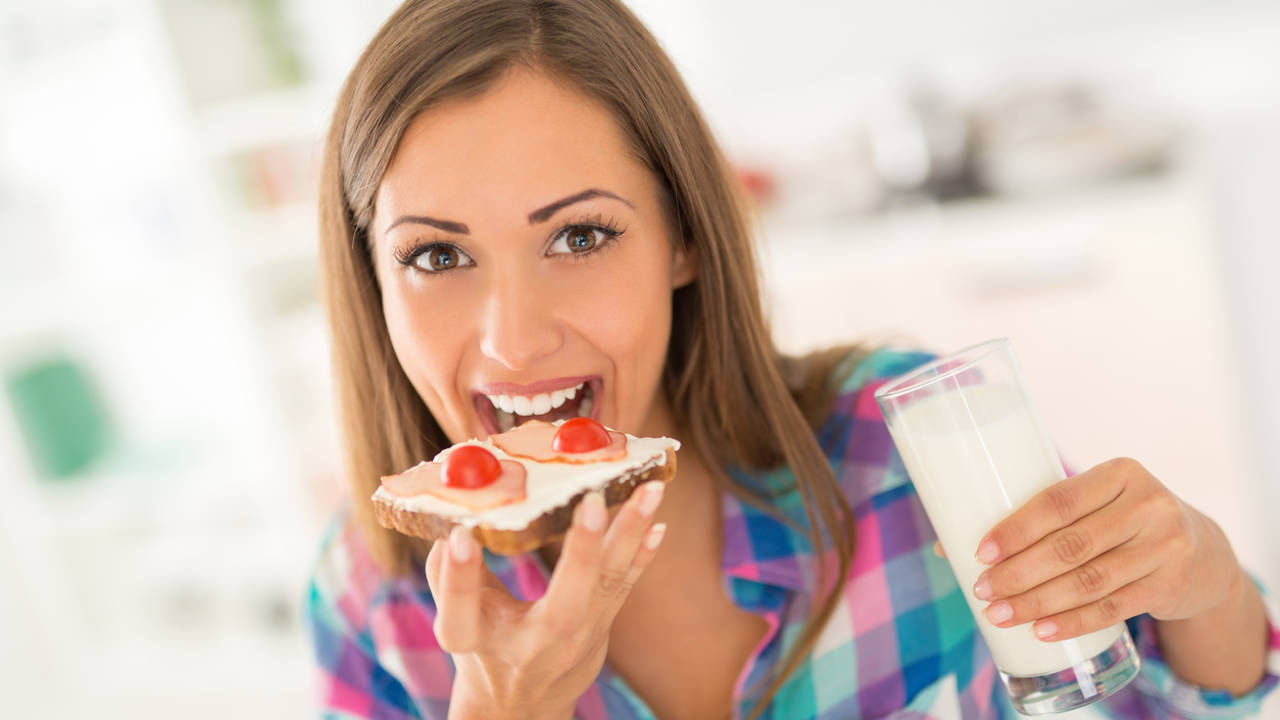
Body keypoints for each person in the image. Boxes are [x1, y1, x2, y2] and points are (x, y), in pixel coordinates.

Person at [304, 1, 1279, 718]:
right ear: (372, 285)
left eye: (579, 237)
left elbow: (1155, 698)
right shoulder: (369, 603)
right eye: (436, 255)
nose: (513, 338)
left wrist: (1207, 586)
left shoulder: (895, 448)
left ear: (683, 236)